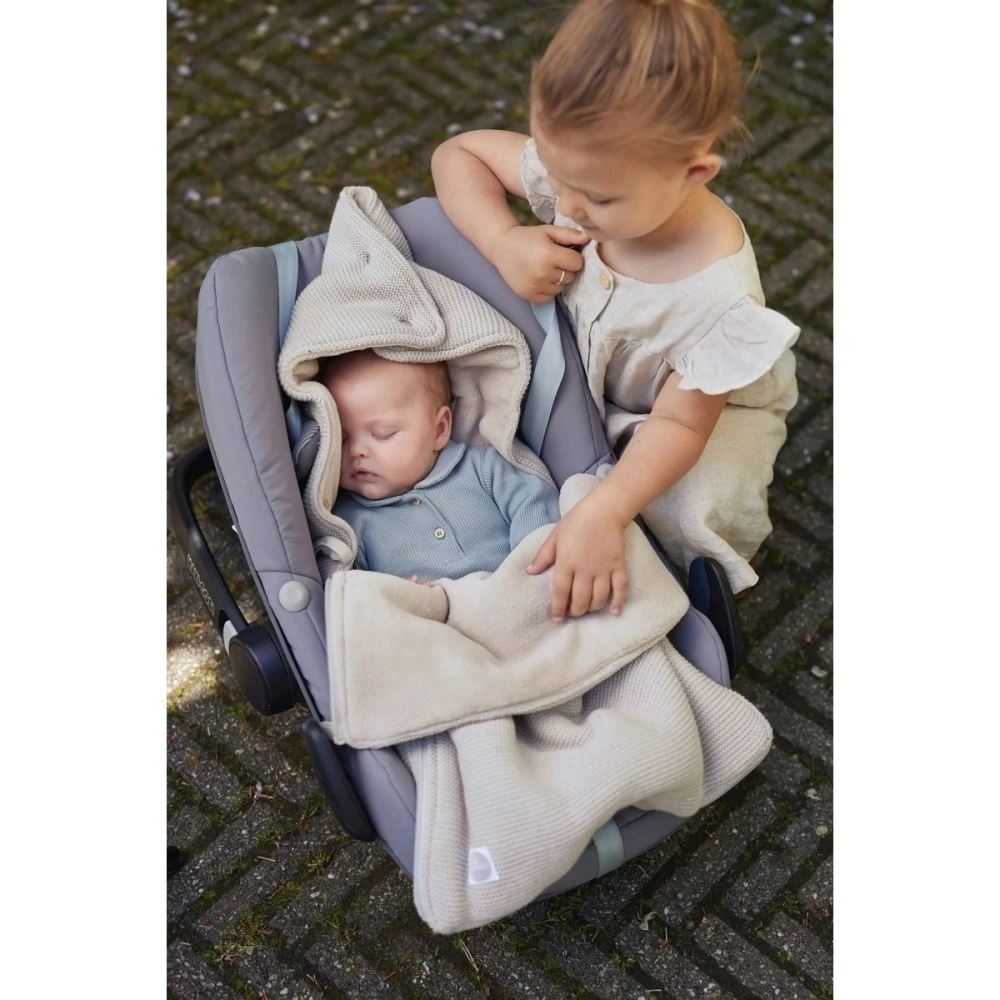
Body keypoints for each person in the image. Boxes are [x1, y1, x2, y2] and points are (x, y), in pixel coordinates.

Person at [430, 0, 800, 620]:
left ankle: (706, 591)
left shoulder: (718, 302)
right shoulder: (588, 171)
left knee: (692, 508)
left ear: (694, 171)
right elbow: (458, 155)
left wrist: (604, 511)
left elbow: (680, 428)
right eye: (554, 174)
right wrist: (503, 241)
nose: (567, 204)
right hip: (586, 370)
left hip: (693, 414)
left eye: (596, 198)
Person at [320, 350, 565, 591]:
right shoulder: (345, 523)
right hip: (435, 614)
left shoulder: (483, 468)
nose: (356, 451)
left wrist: (528, 570)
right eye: (342, 438)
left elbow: (535, 503)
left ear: (438, 430)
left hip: (518, 590)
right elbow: (344, 591)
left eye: (382, 434)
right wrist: (394, 598)